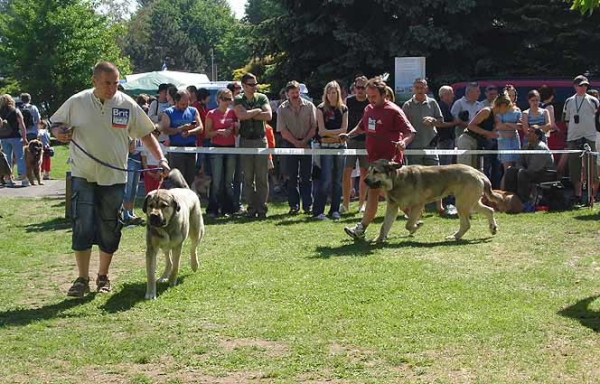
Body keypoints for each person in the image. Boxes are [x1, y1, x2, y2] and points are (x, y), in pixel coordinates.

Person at [50, 61, 170, 298]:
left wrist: (161, 159)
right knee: (82, 225)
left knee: (110, 227)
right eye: (107, 83)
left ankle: (103, 276)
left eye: (116, 83)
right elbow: (55, 124)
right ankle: (82, 279)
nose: (112, 88)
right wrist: (58, 132)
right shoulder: (77, 101)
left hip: (115, 177)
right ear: (94, 81)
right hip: (83, 175)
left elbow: (145, 134)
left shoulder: (127, 104)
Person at [342, 77, 416, 240]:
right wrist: (348, 135)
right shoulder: (368, 109)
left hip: (389, 163)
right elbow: (361, 127)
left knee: (378, 192)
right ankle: (413, 217)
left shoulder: (394, 110)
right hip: (373, 161)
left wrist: (403, 142)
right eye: (369, 96)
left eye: (374, 96)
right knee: (385, 193)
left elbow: (411, 132)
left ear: (383, 94)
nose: (370, 99)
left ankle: (361, 228)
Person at [401, 77, 448, 215]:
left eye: (422, 87)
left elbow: (441, 122)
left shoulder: (432, 103)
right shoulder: (407, 105)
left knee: (436, 176)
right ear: (413, 89)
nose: (420, 90)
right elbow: (403, 125)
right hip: (414, 146)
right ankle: (418, 208)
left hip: (430, 145)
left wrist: (433, 121)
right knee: (416, 179)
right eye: (417, 87)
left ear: (426, 88)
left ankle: (440, 207)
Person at [233, 73, 273, 219]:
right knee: (248, 177)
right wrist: (257, 111)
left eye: (255, 84)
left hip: (261, 141)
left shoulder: (262, 97)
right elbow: (241, 116)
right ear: (244, 86)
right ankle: (251, 209)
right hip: (245, 141)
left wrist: (249, 113)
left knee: (262, 177)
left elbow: (268, 116)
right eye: (251, 84)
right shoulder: (238, 98)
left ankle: (262, 209)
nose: (254, 87)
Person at [276, 80, 317, 215]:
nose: (295, 94)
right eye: (292, 92)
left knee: (307, 177)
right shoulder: (282, 108)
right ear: (287, 93)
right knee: (292, 176)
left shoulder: (310, 106)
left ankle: (307, 205)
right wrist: (296, 143)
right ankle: (294, 205)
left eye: (297, 92)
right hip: (289, 143)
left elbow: (314, 127)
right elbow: (283, 130)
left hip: (307, 143)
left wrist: (304, 141)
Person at [313, 80, 348, 220]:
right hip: (325, 147)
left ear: (338, 93)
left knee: (338, 180)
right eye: (329, 92)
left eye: (334, 92)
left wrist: (330, 135)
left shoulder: (344, 108)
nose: (331, 95)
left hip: (340, 147)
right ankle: (318, 211)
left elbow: (345, 130)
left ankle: (334, 210)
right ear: (325, 94)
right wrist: (336, 136)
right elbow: (321, 131)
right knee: (326, 179)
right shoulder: (321, 108)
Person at [562, 75, 599, 205]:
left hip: (590, 137)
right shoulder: (569, 101)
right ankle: (577, 195)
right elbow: (566, 120)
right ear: (575, 86)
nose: (583, 88)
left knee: (591, 168)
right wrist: (574, 131)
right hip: (574, 137)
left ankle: (591, 197)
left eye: (585, 85)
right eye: (581, 85)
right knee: (574, 167)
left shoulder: (594, 100)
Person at [205, 88, 239, 218]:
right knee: (217, 180)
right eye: (225, 99)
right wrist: (218, 132)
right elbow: (206, 134)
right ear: (218, 100)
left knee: (228, 181)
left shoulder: (233, 113)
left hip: (230, 148)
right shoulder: (211, 113)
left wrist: (235, 128)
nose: (227, 102)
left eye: (229, 99)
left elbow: (236, 133)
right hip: (216, 148)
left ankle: (228, 209)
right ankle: (213, 208)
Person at [457, 92, 512, 171]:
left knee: (476, 171)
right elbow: (471, 126)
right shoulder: (486, 111)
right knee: (465, 169)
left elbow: (493, 132)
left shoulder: (496, 117)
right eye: (507, 107)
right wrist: (488, 133)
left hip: (478, 143)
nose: (507, 110)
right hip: (467, 140)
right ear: (502, 105)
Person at [160, 89, 203, 186]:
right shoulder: (168, 112)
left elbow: (200, 128)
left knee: (190, 177)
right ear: (176, 101)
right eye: (182, 104)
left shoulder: (193, 111)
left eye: (187, 103)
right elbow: (165, 130)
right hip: (176, 148)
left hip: (191, 148)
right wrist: (180, 129)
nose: (185, 106)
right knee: (177, 178)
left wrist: (190, 132)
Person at [504, 126, 556, 204]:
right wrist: (520, 168)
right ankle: (509, 199)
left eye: (531, 132)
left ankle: (523, 201)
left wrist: (521, 170)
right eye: (528, 131)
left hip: (545, 173)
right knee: (510, 170)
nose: (527, 134)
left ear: (537, 136)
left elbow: (534, 168)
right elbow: (519, 162)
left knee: (522, 174)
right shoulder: (526, 146)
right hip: (531, 171)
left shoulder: (541, 147)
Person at [342, 75, 370, 213]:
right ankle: (345, 203)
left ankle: (361, 204)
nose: (360, 90)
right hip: (351, 140)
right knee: (347, 171)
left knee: (365, 172)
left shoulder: (370, 102)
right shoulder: (348, 101)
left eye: (363, 87)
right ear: (354, 87)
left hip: (366, 141)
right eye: (358, 87)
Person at [495, 85, 523, 189]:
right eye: (509, 95)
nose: (512, 97)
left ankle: (513, 194)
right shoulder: (500, 109)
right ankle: (502, 194)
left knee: (515, 169)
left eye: (513, 95)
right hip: (504, 140)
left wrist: (507, 124)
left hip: (515, 139)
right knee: (507, 169)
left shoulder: (517, 110)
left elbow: (520, 126)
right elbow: (498, 126)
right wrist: (512, 125)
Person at [0, 94, 29, 187]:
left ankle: (8, 179)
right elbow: (22, 124)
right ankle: (24, 178)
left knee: (7, 158)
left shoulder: (0, 112)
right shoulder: (15, 111)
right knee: (20, 157)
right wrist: (24, 137)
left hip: (3, 137)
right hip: (16, 136)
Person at [122, 137, 144, 226]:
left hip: (138, 161)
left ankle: (131, 212)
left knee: (134, 189)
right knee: (128, 188)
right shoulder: (130, 134)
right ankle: (125, 214)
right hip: (129, 161)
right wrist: (134, 137)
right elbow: (131, 149)